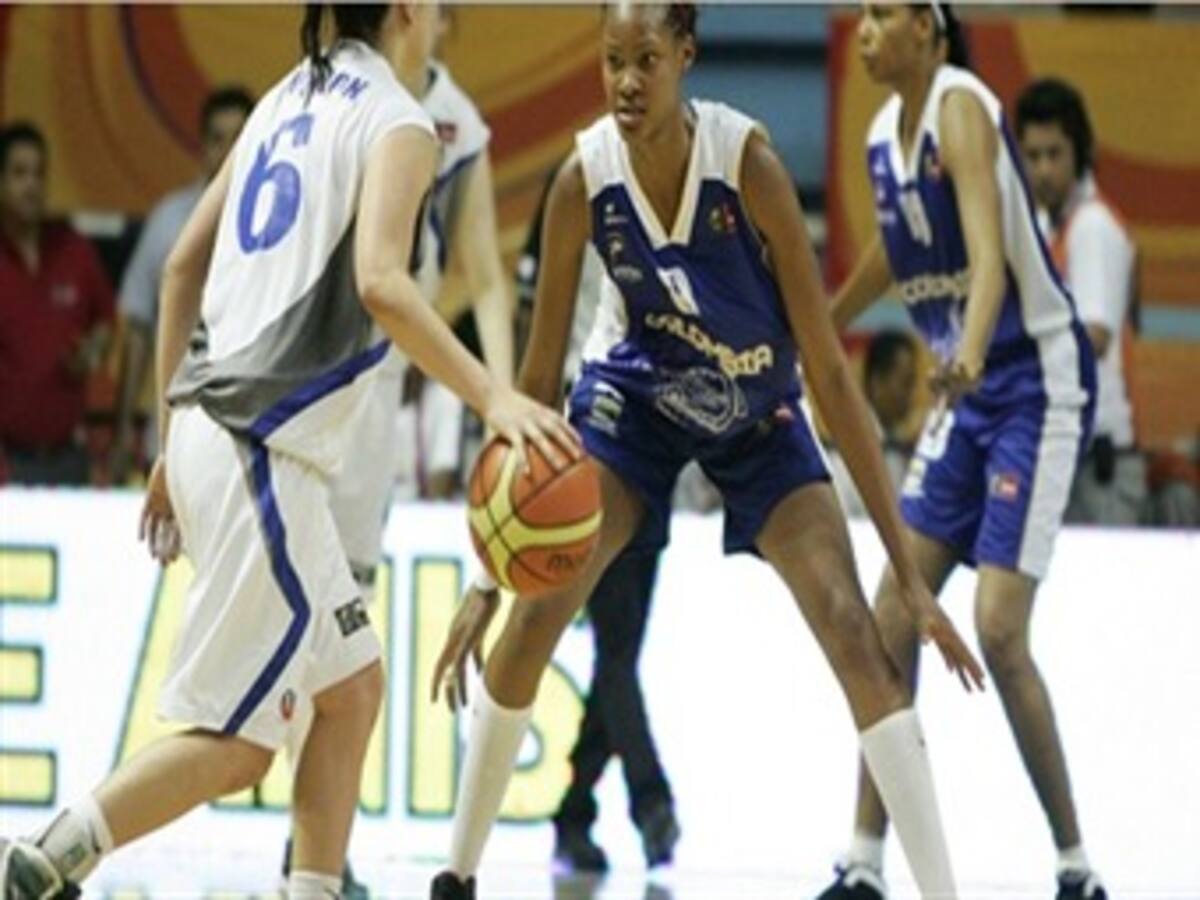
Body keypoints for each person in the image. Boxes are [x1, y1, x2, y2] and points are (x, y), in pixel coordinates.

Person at [0, 5, 573, 898]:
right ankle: (54, 853)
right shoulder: (400, 120)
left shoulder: (281, 99)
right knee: (240, 748)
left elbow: (176, 268)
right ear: (410, 13)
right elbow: (383, 282)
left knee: (351, 688)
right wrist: (493, 395)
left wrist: (164, 438)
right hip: (263, 449)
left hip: (214, 431)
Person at [428, 5, 984, 899]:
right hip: (637, 402)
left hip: (760, 410)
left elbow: (832, 378)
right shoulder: (582, 180)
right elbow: (535, 382)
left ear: (686, 56)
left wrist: (907, 576)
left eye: (647, 59)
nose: (627, 82)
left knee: (853, 627)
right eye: (613, 61)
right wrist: (486, 579)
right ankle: (454, 877)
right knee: (535, 616)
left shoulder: (746, 165)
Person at [817, 5, 1105, 900]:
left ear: (932, 31)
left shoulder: (963, 106)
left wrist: (972, 351)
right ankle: (864, 863)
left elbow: (987, 256)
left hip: (1032, 379)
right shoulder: (879, 136)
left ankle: (1075, 867)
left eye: (886, 12)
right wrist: (819, 327)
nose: (866, 27)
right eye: (861, 14)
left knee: (998, 629)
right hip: (967, 392)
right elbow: (895, 256)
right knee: (890, 614)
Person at [278, 2, 518, 889]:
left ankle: (307, 861)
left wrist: (501, 399)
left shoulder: (454, 121)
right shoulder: (329, 94)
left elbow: (486, 275)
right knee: (303, 630)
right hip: (301, 361)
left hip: (374, 387)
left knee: (343, 625)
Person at [515, 170, 679, 875]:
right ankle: (651, 801)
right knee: (616, 645)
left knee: (620, 650)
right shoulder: (570, 189)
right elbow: (538, 337)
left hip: (653, 442)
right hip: (582, 446)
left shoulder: (672, 195)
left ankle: (575, 812)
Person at [1015, 77, 1144, 526]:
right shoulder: (1049, 227)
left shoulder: (1092, 226)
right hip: (1068, 453)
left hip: (1101, 466)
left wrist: (1010, 363)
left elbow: (1096, 337)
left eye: (1054, 155)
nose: (1043, 170)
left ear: (1080, 154)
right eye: (1032, 157)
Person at [110, 86, 255, 483]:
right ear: (201, 147)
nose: (227, 152)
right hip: (174, 436)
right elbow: (138, 327)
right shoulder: (168, 222)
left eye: (239, 139)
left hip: (250, 439)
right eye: (217, 139)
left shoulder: (279, 228)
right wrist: (124, 431)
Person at [0, 122, 115, 486]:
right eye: (19, 174)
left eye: (39, 173)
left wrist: (93, 351)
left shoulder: (73, 248)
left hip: (68, 456)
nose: (31, 185)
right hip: (5, 459)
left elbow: (106, 321)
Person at [827, 329, 919, 518]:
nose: (911, 395)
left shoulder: (899, 446)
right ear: (877, 382)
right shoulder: (852, 446)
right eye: (905, 383)